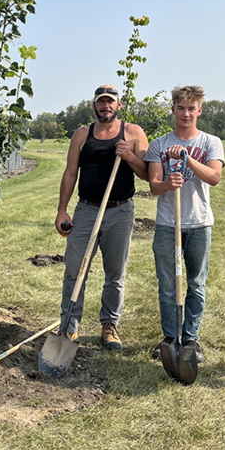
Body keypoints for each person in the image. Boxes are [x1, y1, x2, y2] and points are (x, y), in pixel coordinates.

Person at [53, 83, 149, 349]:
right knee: (74, 269)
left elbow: (147, 174)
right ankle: (69, 327)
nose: (106, 106)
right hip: (86, 211)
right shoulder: (82, 135)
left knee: (115, 273)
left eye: (111, 101)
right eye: (101, 101)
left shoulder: (133, 133)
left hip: (120, 210)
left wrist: (129, 155)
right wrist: (63, 209)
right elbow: (70, 173)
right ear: (94, 105)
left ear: (119, 105)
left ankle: (109, 326)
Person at [145, 86, 224, 364]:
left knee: (195, 283)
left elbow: (214, 177)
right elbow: (154, 185)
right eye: (181, 108)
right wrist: (168, 183)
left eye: (192, 108)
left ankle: (191, 339)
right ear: (173, 110)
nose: (186, 113)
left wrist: (187, 158)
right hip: (168, 223)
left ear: (199, 110)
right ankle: (170, 337)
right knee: (167, 284)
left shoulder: (210, 142)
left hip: (200, 223)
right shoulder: (159, 144)